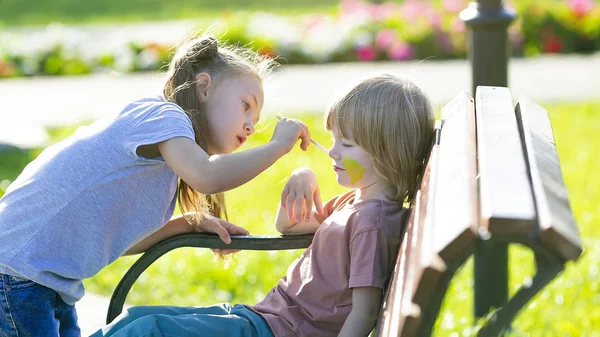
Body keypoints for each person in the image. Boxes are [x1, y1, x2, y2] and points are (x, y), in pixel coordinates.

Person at [0, 34, 313, 337]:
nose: (251, 124)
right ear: (204, 87)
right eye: (246, 105)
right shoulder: (164, 116)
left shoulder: (166, 161)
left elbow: (112, 241)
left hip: (40, 278)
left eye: (256, 117)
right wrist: (277, 147)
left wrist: (185, 224)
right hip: (18, 273)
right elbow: (208, 175)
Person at [92, 73, 436, 337]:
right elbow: (287, 227)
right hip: (265, 317)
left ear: (387, 152)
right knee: (136, 320)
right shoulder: (357, 203)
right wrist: (304, 176)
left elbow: (365, 311)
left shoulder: (371, 223)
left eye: (346, 144)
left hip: (278, 329)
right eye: (333, 141)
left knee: (148, 330)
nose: (332, 152)